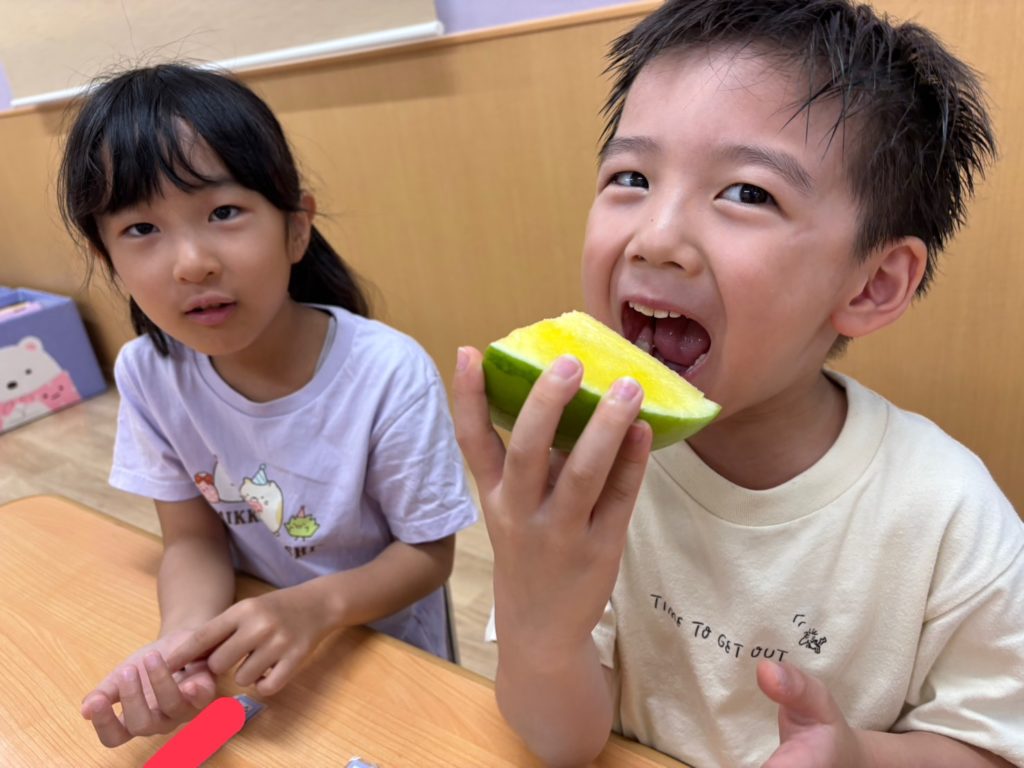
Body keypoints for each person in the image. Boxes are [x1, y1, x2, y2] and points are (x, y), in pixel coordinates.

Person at [452, 1, 1024, 766]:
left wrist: (859, 757)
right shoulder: (585, 471)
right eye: (631, 177)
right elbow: (562, 741)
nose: (656, 238)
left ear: (873, 284)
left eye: (748, 193)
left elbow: (992, 746)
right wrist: (539, 621)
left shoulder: (948, 515)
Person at [57, 63, 478, 748]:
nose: (191, 263)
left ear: (295, 228)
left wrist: (317, 607)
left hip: (387, 647)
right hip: (262, 657)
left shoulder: (388, 373)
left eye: (223, 213)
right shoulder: (149, 372)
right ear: (107, 259)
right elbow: (193, 540)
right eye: (141, 228)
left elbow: (428, 555)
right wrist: (180, 646)